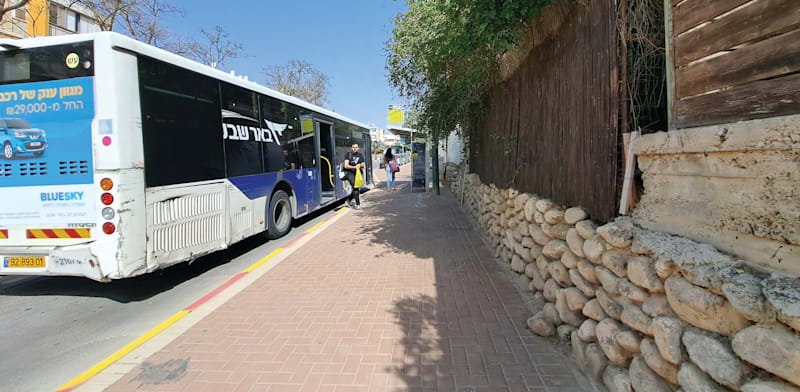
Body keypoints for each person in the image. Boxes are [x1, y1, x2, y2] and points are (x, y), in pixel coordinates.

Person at [343, 143, 365, 210]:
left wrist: (359, 166)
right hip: (350, 173)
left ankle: (348, 200)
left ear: (358, 148)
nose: (354, 148)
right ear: (351, 148)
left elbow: (363, 165)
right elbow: (346, 165)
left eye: (356, 147)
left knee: (356, 188)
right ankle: (358, 204)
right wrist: (354, 167)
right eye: (353, 147)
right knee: (355, 187)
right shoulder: (348, 154)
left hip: (358, 173)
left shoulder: (360, 155)